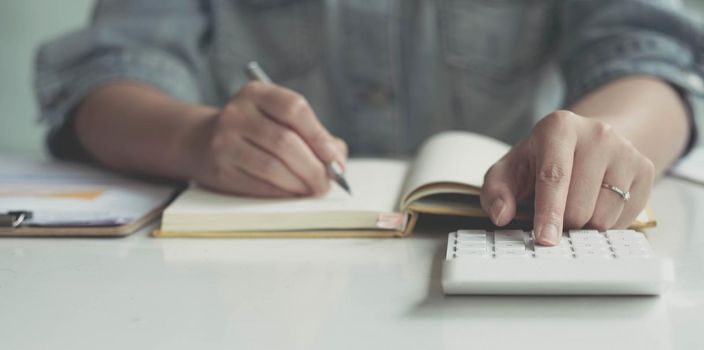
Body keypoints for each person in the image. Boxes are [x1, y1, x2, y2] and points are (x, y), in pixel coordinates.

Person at [35, 0, 704, 245]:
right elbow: (109, 73)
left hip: (509, 257)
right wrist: (192, 136)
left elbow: (650, 54)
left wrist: (603, 139)